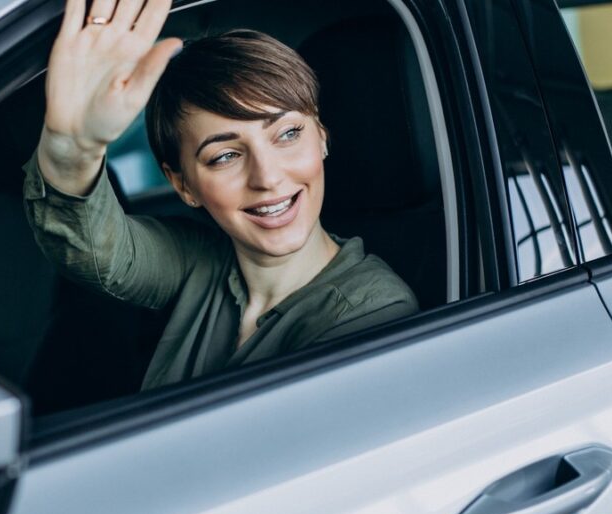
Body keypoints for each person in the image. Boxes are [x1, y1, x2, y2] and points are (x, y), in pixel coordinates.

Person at [24, 0, 417, 390]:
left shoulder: (372, 311)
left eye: (288, 134)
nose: (267, 177)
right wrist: (72, 145)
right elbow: (95, 251)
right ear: (183, 185)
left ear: (323, 139)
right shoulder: (199, 260)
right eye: (225, 155)